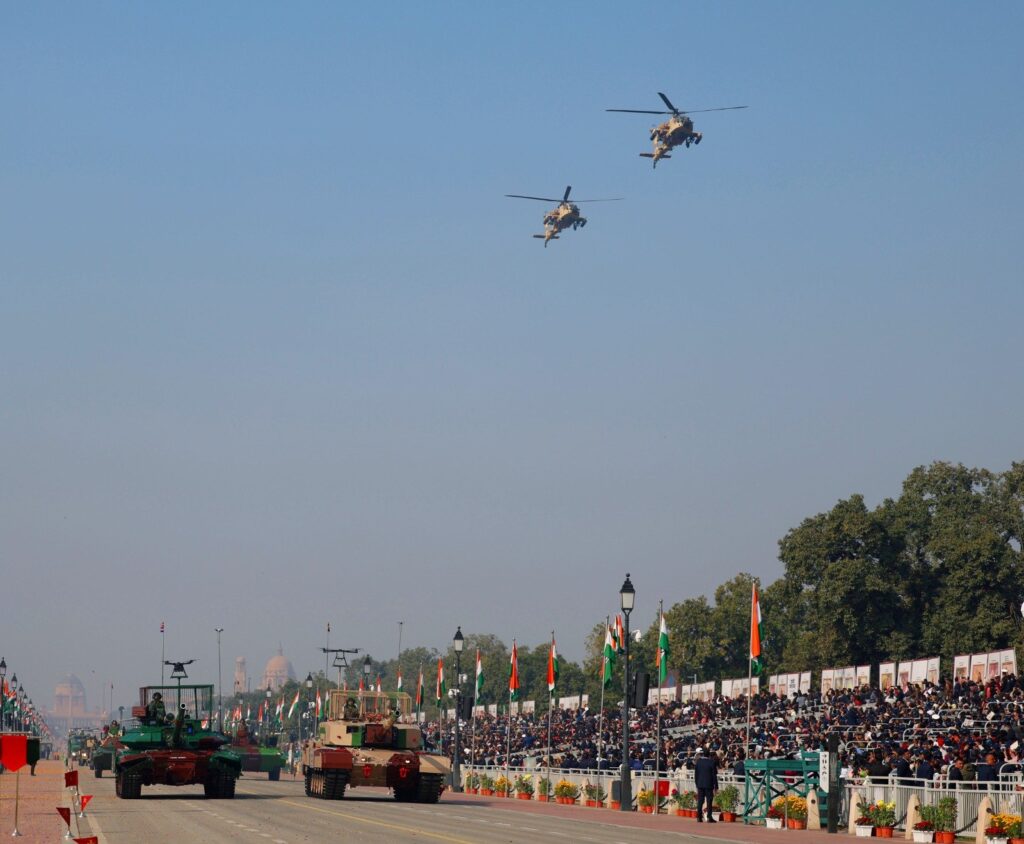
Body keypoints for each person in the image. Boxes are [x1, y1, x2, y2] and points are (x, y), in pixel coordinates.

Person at [694, 748, 719, 822]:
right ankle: (709, 817)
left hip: (700, 784)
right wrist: (716, 786)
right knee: (709, 801)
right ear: (709, 754)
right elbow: (714, 775)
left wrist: (697, 783)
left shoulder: (699, 762)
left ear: (703, 754)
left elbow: (696, 774)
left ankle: (699, 817)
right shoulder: (712, 762)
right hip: (709, 784)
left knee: (700, 801)